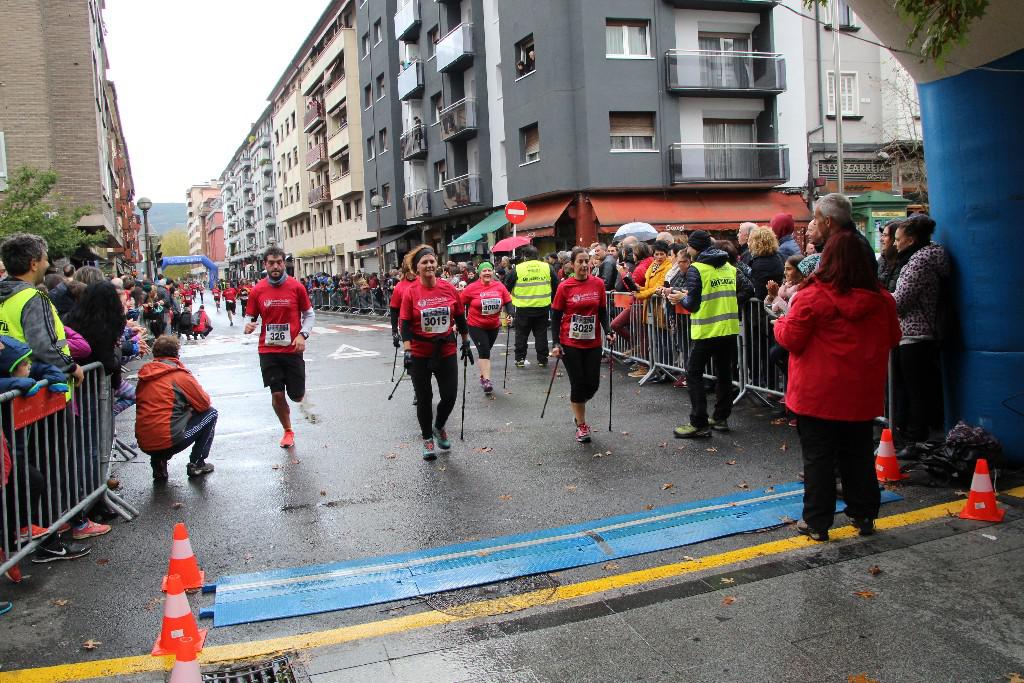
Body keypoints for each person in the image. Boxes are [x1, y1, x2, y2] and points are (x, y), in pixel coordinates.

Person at [774, 232, 902, 541]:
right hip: (860, 393)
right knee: (858, 455)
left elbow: (791, 339)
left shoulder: (811, 296)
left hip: (816, 394)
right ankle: (864, 514)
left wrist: (780, 323)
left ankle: (817, 522)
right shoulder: (882, 299)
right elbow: (893, 337)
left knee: (818, 458)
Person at [400, 245, 472, 460]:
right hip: (420, 352)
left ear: (437, 264)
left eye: (432, 261)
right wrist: (407, 351)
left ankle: (438, 426)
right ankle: (427, 439)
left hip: (445, 348)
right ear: (417, 268)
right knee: (424, 398)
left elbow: (460, 317)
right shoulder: (411, 292)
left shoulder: (448, 288)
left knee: (449, 395)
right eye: (425, 262)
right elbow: (405, 324)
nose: (429, 265)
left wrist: (466, 341)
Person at [245, 247, 315, 449]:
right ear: (265, 265)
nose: (275, 266)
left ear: (284, 263)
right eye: (271, 263)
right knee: (277, 394)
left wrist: (302, 334)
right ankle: (287, 430)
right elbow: (250, 316)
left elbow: (309, 314)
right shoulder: (257, 290)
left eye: (279, 262)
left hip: (292, 349)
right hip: (268, 350)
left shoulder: (296, 287)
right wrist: (248, 325)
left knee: (297, 396)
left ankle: (294, 395)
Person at [672, 230, 740, 438]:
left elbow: (692, 304)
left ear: (695, 247)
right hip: (729, 329)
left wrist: (680, 299)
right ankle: (720, 417)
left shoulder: (697, 269)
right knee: (724, 373)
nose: (687, 249)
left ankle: (699, 422)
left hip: (707, 330)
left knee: (693, 373)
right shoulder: (729, 266)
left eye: (689, 245)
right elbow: (748, 289)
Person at [892, 214, 950, 452]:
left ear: (911, 239)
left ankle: (915, 438)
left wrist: (882, 299)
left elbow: (901, 301)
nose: (895, 243)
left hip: (915, 333)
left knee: (914, 390)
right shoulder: (926, 258)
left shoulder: (918, 262)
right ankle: (913, 435)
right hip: (919, 332)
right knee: (916, 388)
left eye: (898, 239)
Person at [0, 234, 84, 387]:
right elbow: (43, 346)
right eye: (45, 259)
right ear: (33, 264)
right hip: (41, 389)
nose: (48, 264)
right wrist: (71, 366)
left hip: (12, 386)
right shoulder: (33, 298)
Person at [550, 247, 615, 442]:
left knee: (592, 385)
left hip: (593, 342)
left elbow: (602, 311)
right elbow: (556, 316)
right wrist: (556, 343)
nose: (585, 265)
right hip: (570, 342)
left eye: (587, 261)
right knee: (578, 383)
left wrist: (608, 330)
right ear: (572, 264)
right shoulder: (565, 287)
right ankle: (581, 424)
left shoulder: (598, 284)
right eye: (580, 261)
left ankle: (577, 406)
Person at [135, 336, 217, 480]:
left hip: (145, 443)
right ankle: (197, 463)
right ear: (176, 354)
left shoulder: (144, 376)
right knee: (211, 413)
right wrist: (188, 407)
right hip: (168, 441)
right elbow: (204, 403)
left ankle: (158, 462)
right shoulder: (178, 376)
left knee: (161, 417)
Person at [460, 261, 513, 395]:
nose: (487, 273)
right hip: (476, 325)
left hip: (493, 325)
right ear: (479, 274)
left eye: (489, 270)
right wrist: (457, 321)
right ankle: (486, 381)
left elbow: (508, 301)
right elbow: (460, 303)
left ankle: (483, 375)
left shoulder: (499, 286)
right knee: (484, 351)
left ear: (493, 272)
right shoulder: (471, 288)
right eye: (484, 271)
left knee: (485, 351)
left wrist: (511, 315)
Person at [506, 245, 558, 368]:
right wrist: (552, 299)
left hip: (523, 308)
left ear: (525, 257)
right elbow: (556, 285)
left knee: (521, 335)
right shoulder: (547, 267)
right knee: (541, 334)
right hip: (542, 307)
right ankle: (542, 359)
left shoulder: (518, 268)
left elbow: (506, 286)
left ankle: (520, 359)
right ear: (537, 255)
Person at [813, 193, 877, 276]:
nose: (814, 222)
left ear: (828, 221)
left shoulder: (843, 245)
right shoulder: (855, 240)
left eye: (816, 218)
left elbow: (830, 280)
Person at [747, 227, 785, 301]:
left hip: (764, 304)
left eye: (750, 241)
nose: (748, 244)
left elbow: (759, 291)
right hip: (776, 299)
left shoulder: (760, 264)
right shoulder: (778, 256)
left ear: (756, 243)